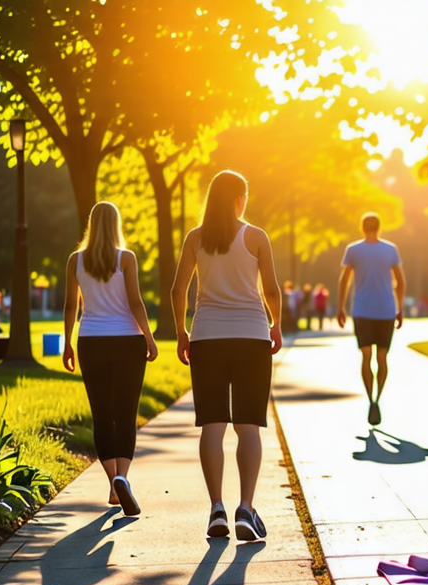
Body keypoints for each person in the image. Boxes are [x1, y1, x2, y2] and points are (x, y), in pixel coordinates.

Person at [171, 170, 283, 541]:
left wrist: (181, 332)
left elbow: (178, 291)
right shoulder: (255, 236)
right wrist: (276, 324)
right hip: (251, 337)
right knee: (248, 426)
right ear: (239, 198)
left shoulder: (195, 238)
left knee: (213, 425)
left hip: (207, 337)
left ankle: (216, 507)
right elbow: (270, 288)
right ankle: (246, 509)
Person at [61, 201, 159, 515]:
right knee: (125, 413)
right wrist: (150, 337)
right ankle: (122, 478)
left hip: (91, 340)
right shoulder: (126, 258)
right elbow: (135, 302)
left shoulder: (75, 260)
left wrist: (68, 345)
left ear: (91, 224)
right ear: (115, 224)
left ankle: (112, 484)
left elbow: (69, 308)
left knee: (102, 414)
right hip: (128, 342)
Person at [338, 213, 406, 426]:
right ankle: (377, 398)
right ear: (379, 226)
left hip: (362, 310)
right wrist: (400, 307)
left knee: (366, 356)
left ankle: (371, 399)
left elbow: (344, 279)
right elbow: (401, 281)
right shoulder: (390, 249)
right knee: (382, 357)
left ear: (362, 227)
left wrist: (340, 306)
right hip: (386, 310)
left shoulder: (354, 249)